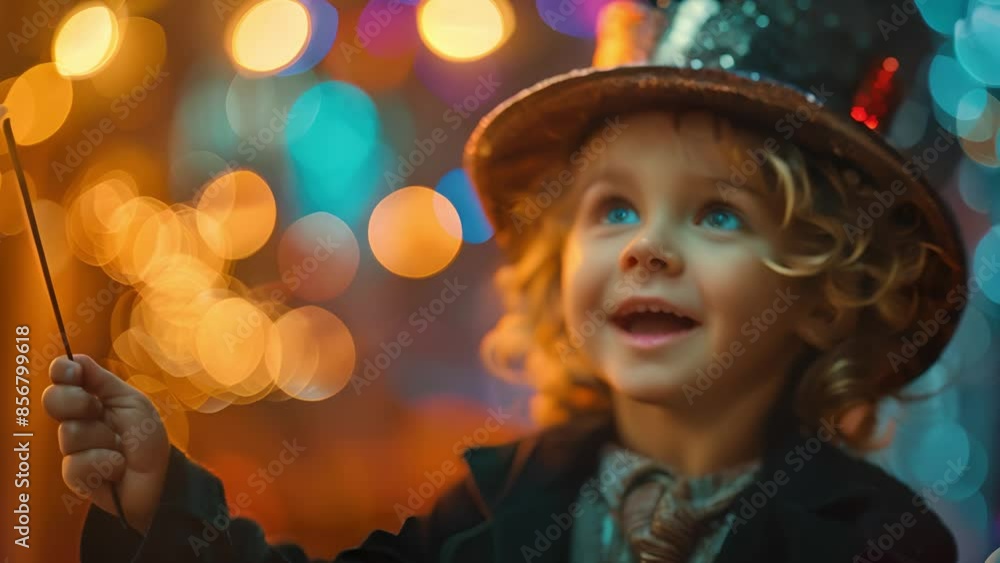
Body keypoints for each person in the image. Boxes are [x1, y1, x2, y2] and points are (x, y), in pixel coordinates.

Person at [44, 1, 968, 562]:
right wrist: (164, 497)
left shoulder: (876, 539)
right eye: (612, 209)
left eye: (717, 213)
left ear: (821, 292)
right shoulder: (497, 502)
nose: (647, 248)